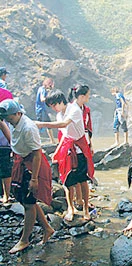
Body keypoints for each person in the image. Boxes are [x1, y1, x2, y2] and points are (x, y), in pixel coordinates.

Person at [0, 99, 54, 254]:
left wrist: (34, 179)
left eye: (9, 117)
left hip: (32, 166)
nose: (7, 120)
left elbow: (37, 154)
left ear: (18, 113)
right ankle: (47, 228)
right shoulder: (14, 122)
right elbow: (13, 140)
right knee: (26, 200)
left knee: (29, 203)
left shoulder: (28, 128)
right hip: (21, 161)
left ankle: (24, 240)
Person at [36, 88, 94, 221]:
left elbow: (64, 124)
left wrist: (42, 124)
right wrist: (57, 151)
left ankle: (85, 209)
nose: (54, 108)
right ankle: (70, 208)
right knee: (67, 180)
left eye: (54, 105)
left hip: (79, 149)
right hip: (68, 148)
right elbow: (65, 135)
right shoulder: (59, 115)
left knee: (82, 180)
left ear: (60, 101)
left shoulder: (74, 110)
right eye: (51, 106)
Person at [0, 88, 13, 203]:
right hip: (5, 143)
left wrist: (12, 144)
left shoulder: (4, 93)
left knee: (5, 170)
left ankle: (6, 195)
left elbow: (3, 125)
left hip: (3, 144)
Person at [35, 78, 56, 144]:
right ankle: (36, 141)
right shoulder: (42, 89)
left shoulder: (43, 89)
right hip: (40, 110)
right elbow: (42, 99)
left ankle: (52, 140)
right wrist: (50, 98)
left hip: (43, 109)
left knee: (48, 124)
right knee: (39, 125)